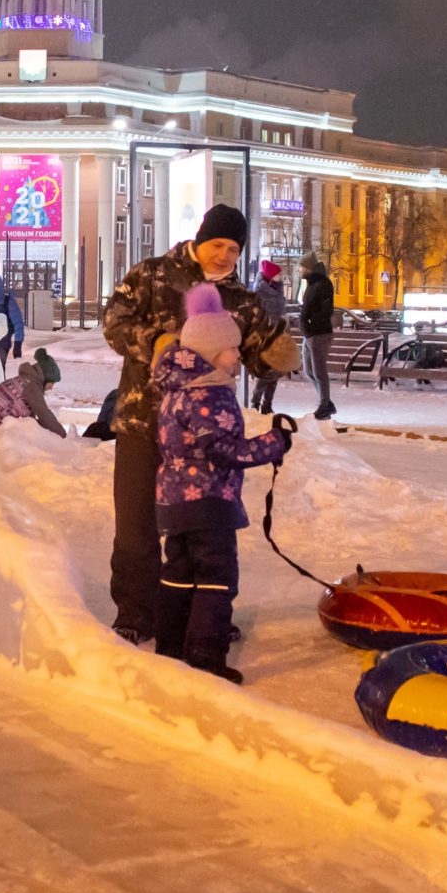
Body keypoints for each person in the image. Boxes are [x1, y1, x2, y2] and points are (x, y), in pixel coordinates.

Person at [100, 204, 284, 646]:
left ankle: (206, 612)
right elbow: (114, 324)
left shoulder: (242, 299)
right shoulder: (154, 274)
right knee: (137, 526)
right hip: (144, 422)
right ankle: (136, 614)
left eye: (233, 248)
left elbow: (258, 356)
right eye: (217, 245)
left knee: (204, 531)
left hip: (206, 438)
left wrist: (277, 357)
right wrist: (156, 341)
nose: (224, 255)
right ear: (200, 240)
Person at [152, 286, 292, 681]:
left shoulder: (175, 388)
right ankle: (205, 656)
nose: (237, 357)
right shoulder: (209, 392)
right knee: (216, 578)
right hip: (208, 500)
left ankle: (170, 646)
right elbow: (222, 450)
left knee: (178, 572)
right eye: (232, 350)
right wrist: (272, 444)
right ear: (212, 353)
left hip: (174, 501)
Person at [0, 347, 67, 440]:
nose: (51, 388)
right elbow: (44, 414)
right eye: (51, 383)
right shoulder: (31, 386)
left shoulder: (24, 381)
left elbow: (30, 419)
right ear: (46, 377)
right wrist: (64, 437)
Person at [297, 255, 337, 421]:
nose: (299, 270)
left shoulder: (323, 284)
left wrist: (312, 325)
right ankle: (326, 402)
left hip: (319, 333)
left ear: (309, 268)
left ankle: (324, 405)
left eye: (301, 267)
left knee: (319, 371)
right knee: (308, 370)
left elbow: (326, 310)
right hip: (310, 334)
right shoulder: (311, 284)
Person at [249, 259, 290, 414]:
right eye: (278, 273)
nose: (281, 276)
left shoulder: (277, 289)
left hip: (279, 336)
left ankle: (267, 404)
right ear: (270, 276)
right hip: (266, 337)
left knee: (275, 372)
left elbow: (281, 315)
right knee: (267, 372)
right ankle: (255, 403)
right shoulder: (260, 292)